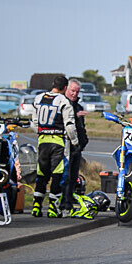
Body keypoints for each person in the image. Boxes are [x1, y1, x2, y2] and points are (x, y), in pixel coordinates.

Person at [31, 76, 78, 218]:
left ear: (53, 84)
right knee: (57, 175)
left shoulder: (38, 98)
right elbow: (69, 126)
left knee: (42, 174)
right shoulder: (64, 101)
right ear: (65, 88)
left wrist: (42, 132)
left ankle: (36, 206)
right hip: (58, 142)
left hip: (42, 141)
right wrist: (75, 142)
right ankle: (53, 208)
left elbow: (33, 123)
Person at [60, 79, 89, 215]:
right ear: (66, 89)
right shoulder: (63, 104)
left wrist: (84, 140)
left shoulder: (78, 106)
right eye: (72, 91)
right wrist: (75, 117)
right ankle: (64, 203)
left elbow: (81, 126)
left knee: (73, 176)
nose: (74, 94)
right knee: (66, 175)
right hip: (66, 145)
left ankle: (70, 200)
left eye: (77, 91)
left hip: (77, 146)